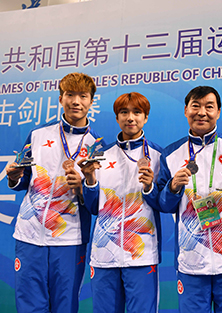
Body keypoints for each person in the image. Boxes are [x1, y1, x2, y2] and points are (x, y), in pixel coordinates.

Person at [5, 72, 103, 313]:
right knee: (29, 304)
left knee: (64, 305)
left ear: (91, 102)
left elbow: (96, 204)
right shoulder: (37, 136)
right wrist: (13, 177)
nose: (76, 102)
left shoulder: (98, 147)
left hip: (69, 239)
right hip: (29, 235)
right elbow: (23, 178)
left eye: (83, 96)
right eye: (70, 95)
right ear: (61, 98)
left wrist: (82, 187)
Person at [157, 86, 222, 313]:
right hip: (191, 263)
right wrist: (173, 187)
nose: (202, 112)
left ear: (218, 112)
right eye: (195, 106)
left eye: (209, 107)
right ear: (185, 111)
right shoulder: (170, 154)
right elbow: (163, 204)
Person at [80, 92, 162, 312]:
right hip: (104, 254)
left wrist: (149, 187)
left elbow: (164, 203)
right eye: (124, 112)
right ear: (117, 118)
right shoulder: (101, 155)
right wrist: (88, 179)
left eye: (137, 112)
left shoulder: (159, 156)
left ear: (145, 117)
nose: (130, 118)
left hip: (141, 254)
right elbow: (93, 206)